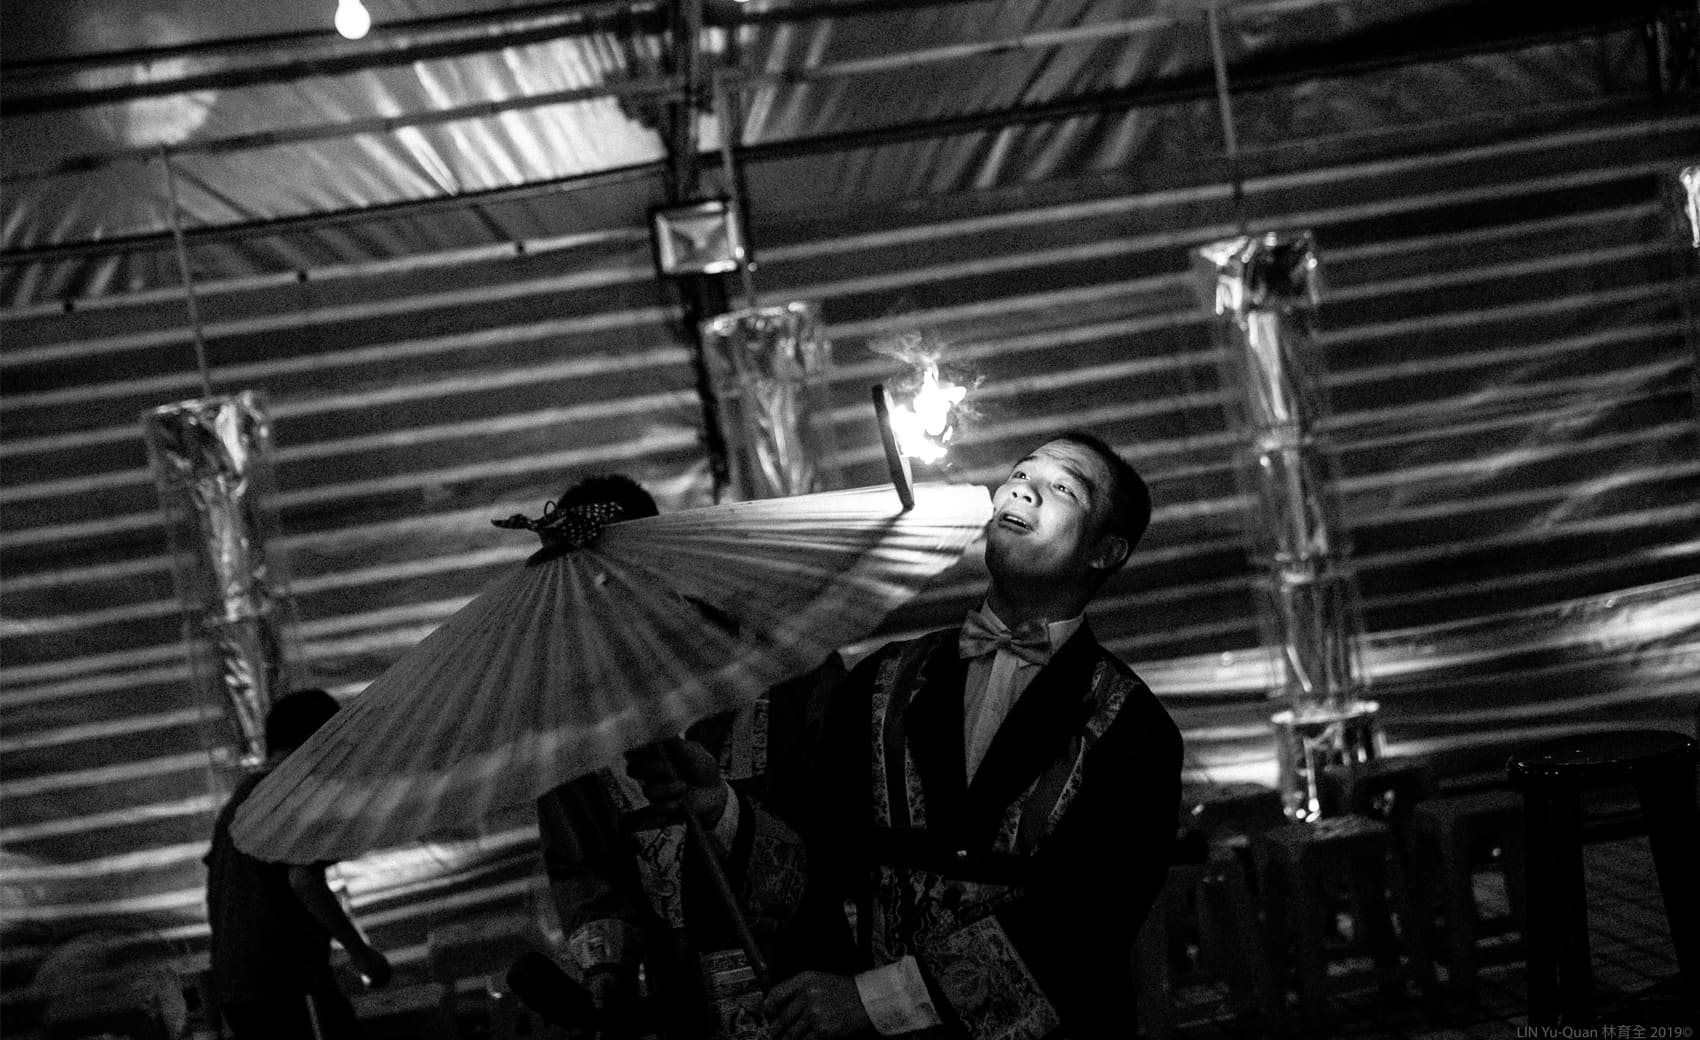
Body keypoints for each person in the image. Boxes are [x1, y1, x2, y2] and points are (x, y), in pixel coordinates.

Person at [671, 432, 1183, 1039]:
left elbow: (1086, 921)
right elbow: (815, 841)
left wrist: (874, 1000)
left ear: (1105, 552)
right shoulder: (884, 680)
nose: (1023, 490)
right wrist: (721, 809)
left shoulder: (1133, 727)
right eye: (1021, 474)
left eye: (1062, 488)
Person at [529, 474, 853, 1039]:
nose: (594, 603)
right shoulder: (571, 723)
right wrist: (606, 971)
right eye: (572, 592)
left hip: (812, 993)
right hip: (686, 1007)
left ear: (658, 559)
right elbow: (583, 866)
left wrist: (726, 813)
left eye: (605, 577)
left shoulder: (785, 664)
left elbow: (841, 829)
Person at [205, 688, 392, 1039]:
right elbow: (303, 880)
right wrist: (362, 955)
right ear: (320, 744)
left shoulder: (244, 796)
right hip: (284, 984)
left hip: (238, 987)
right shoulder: (291, 796)